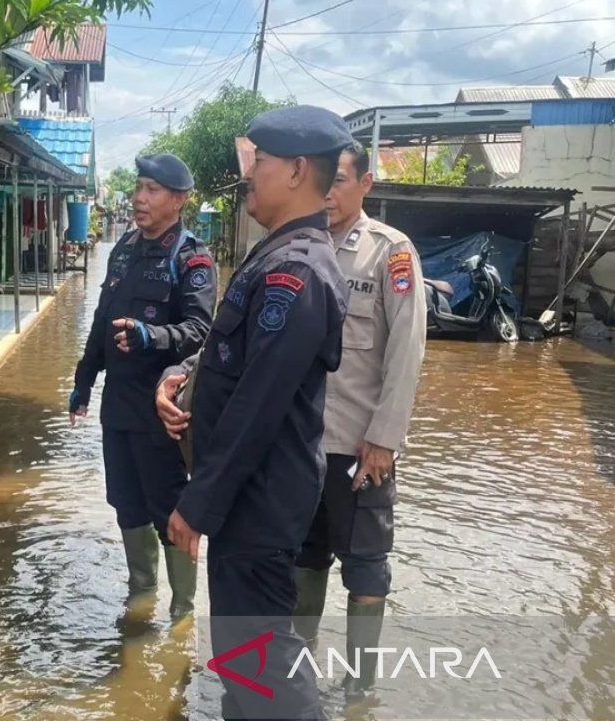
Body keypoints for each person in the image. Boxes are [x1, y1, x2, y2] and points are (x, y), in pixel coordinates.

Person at [157, 142, 428, 699]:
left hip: (354, 444)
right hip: (294, 448)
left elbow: (407, 352)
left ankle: (358, 689)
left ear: (364, 184)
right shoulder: (293, 247)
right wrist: (187, 370)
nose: (330, 196)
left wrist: (384, 439)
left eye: (342, 184)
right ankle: (286, 670)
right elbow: (243, 346)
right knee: (301, 565)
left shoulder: (386, 254)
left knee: (365, 567)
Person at [161, 106, 351, 720]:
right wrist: (182, 382)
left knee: (259, 654)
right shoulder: (277, 253)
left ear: (297, 171)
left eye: (259, 163)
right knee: (245, 661)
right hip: (253, 493)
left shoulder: (295, 270)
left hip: (260, 495)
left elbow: (258, 405)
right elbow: (234, 364)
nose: (248, 176)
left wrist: (198, 503)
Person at [68, 152, 216, 622]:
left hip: (164, 411)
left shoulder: (191, 258)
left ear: (179, 200)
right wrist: (83, 380)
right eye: (138, 187)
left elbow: (202, 331)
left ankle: (183, 613)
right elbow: (100, 322)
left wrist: (154, 336)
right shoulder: (125, 249)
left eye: (151, 190)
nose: (138, 198)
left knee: (169, 508)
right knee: (126, 503)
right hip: (119, 409)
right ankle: (141, 595)